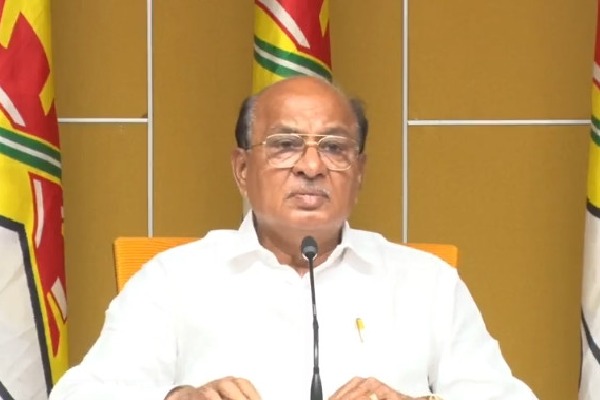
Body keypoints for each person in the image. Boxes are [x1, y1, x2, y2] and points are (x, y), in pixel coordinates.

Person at [49, 76, 537, 400]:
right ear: (243, 169)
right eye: (285, 145)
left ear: (360, 172)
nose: (311, 165)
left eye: (335, 148)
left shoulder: (426, 282)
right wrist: (179, 398)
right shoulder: (174, 279)